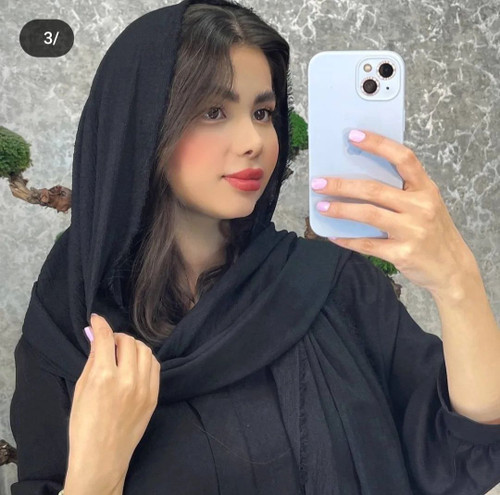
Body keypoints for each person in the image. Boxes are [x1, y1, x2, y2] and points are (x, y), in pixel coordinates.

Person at [9, 0, 500, 493]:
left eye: (263, 113)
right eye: (214, 111)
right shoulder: (67, 327)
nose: (254, 141)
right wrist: (96, 473)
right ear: (143, 123)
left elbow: (465, 450)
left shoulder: (328, 282)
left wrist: (456, 279)